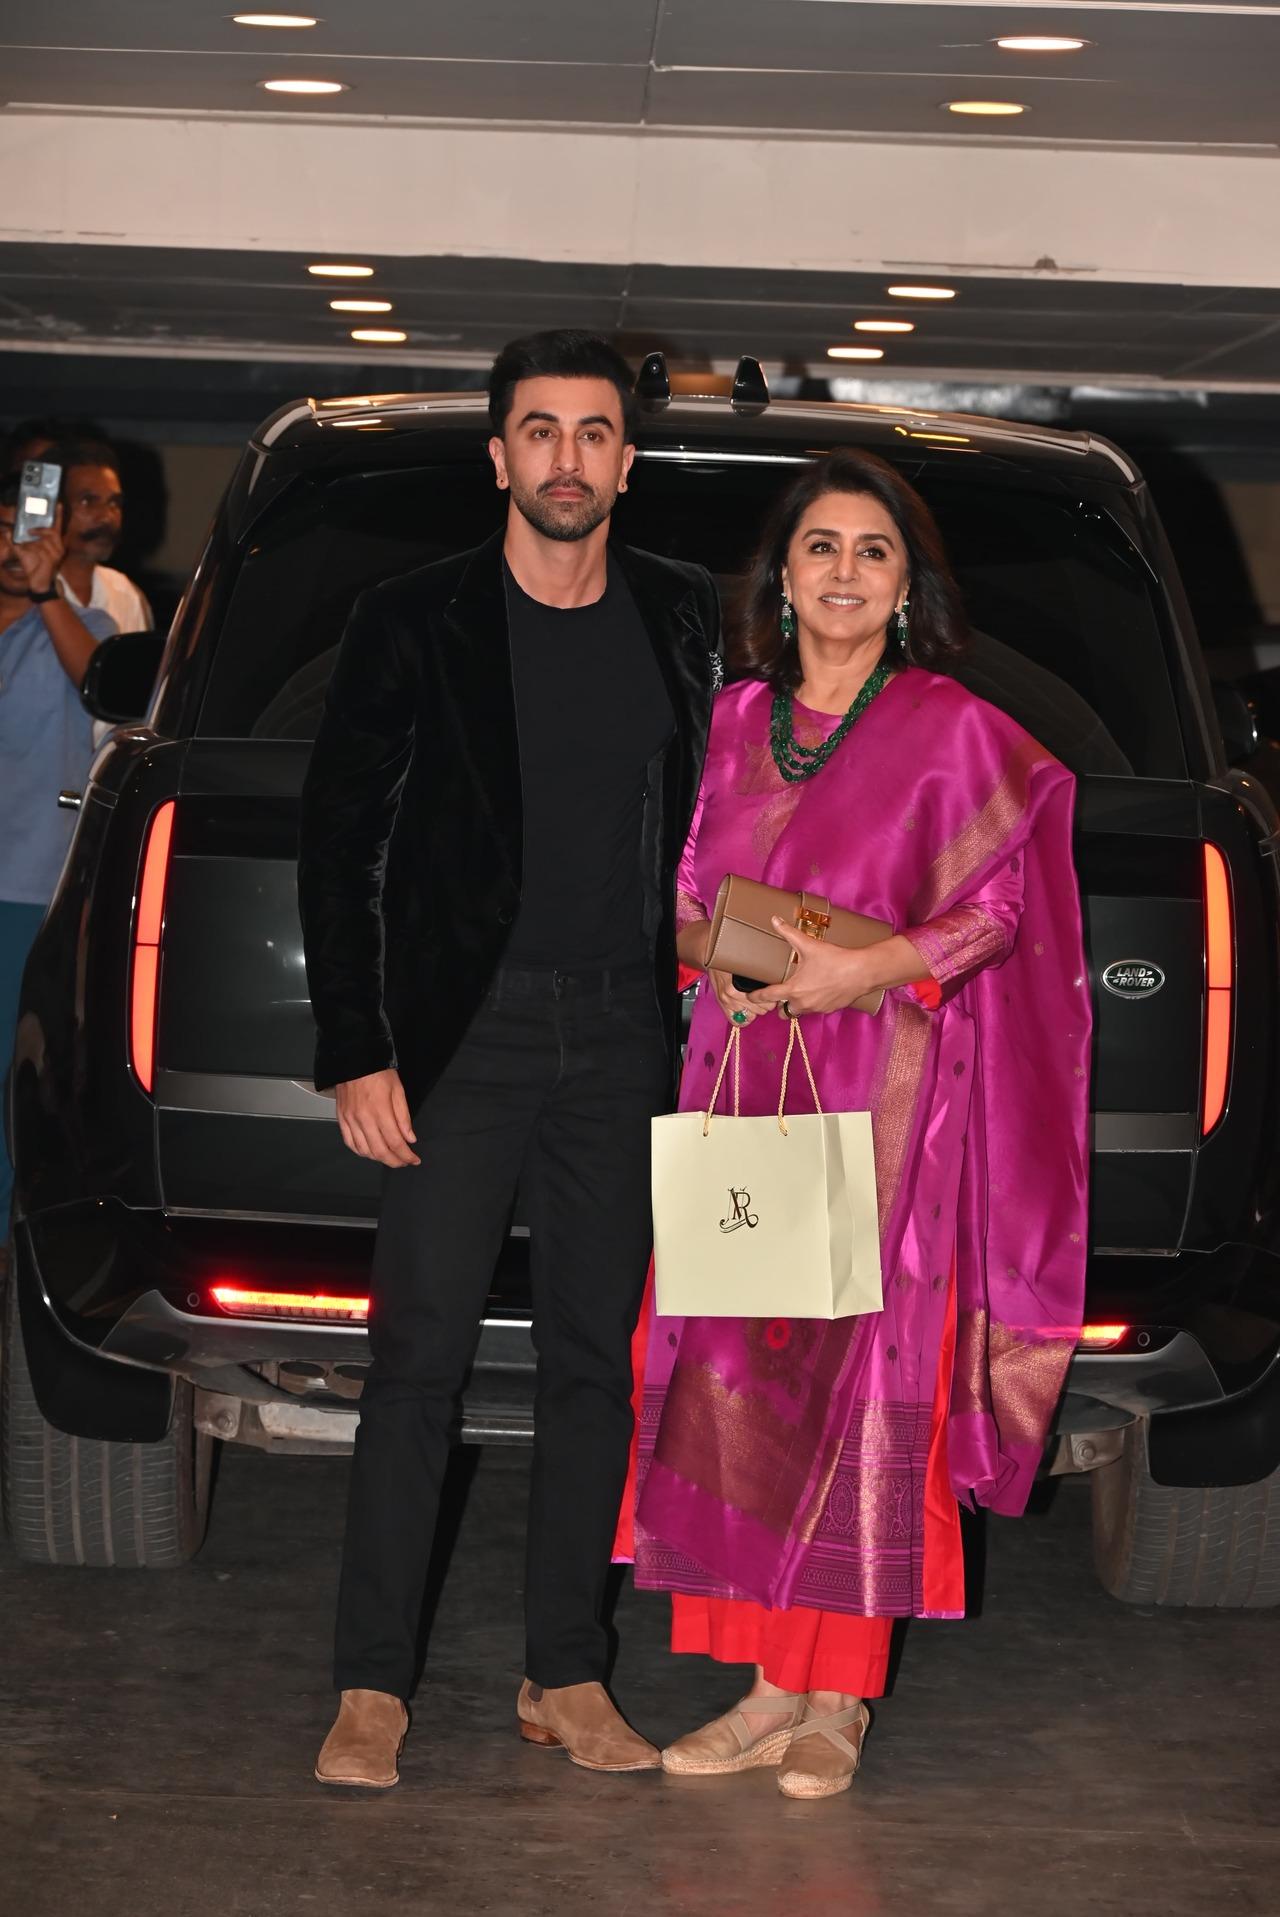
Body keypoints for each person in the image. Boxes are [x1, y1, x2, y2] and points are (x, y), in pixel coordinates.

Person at [626, 449, 1091, 1800]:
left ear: (906, 587)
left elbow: (1005, 900)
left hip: (884, 1099)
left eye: (871, 551)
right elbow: (673, 883)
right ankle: (766, 1682)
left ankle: (840, 1697)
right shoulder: (725, 724)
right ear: (782, 578)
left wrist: (863, 971)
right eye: (820, 546)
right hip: (745, 1086)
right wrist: (707, 951)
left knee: (859, 1374)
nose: (842, 569)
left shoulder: (953, 730)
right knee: (743, 1371)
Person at [297, 330, 721, 1789]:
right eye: (539, 432)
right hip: (461, 1039)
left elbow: (727, 825)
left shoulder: (679, 617)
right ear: (499, 456)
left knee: (595, 1367)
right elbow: (339, 842)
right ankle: (370, 1688)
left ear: (626, 460)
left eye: (593, 434)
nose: (566, 459)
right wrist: (358, 1048)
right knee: (416, 1360)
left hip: (621, 1036)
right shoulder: (413, 619)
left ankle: (567, 1671)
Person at [0, 481, 115, 1237]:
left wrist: (46, 592)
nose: (13, 540)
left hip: (30, 886)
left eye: (24, 524)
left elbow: (101, 681)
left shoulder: (81, 623)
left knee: (20, 1075)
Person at [46, 438, 152, 638]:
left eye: (114, 503)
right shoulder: (23, 589)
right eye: (88, 501)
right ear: (54, 508)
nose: (107, 517)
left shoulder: (125, 594)